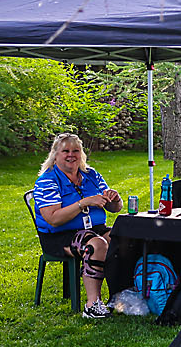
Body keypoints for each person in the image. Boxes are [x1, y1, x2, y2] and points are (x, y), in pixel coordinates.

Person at [32, 133, 123, 319]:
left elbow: (115, 208)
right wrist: (84, 202)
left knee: (122, 239)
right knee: (96, 245)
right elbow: (53, 219)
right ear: (55, 155)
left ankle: (121, 296)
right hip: (59, 235)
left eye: (76, 150)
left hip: (94, 228)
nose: (71, 155)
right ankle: (92, 305)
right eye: (66, 150)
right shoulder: (47, 181)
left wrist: (115, 199)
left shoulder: (91, 175)